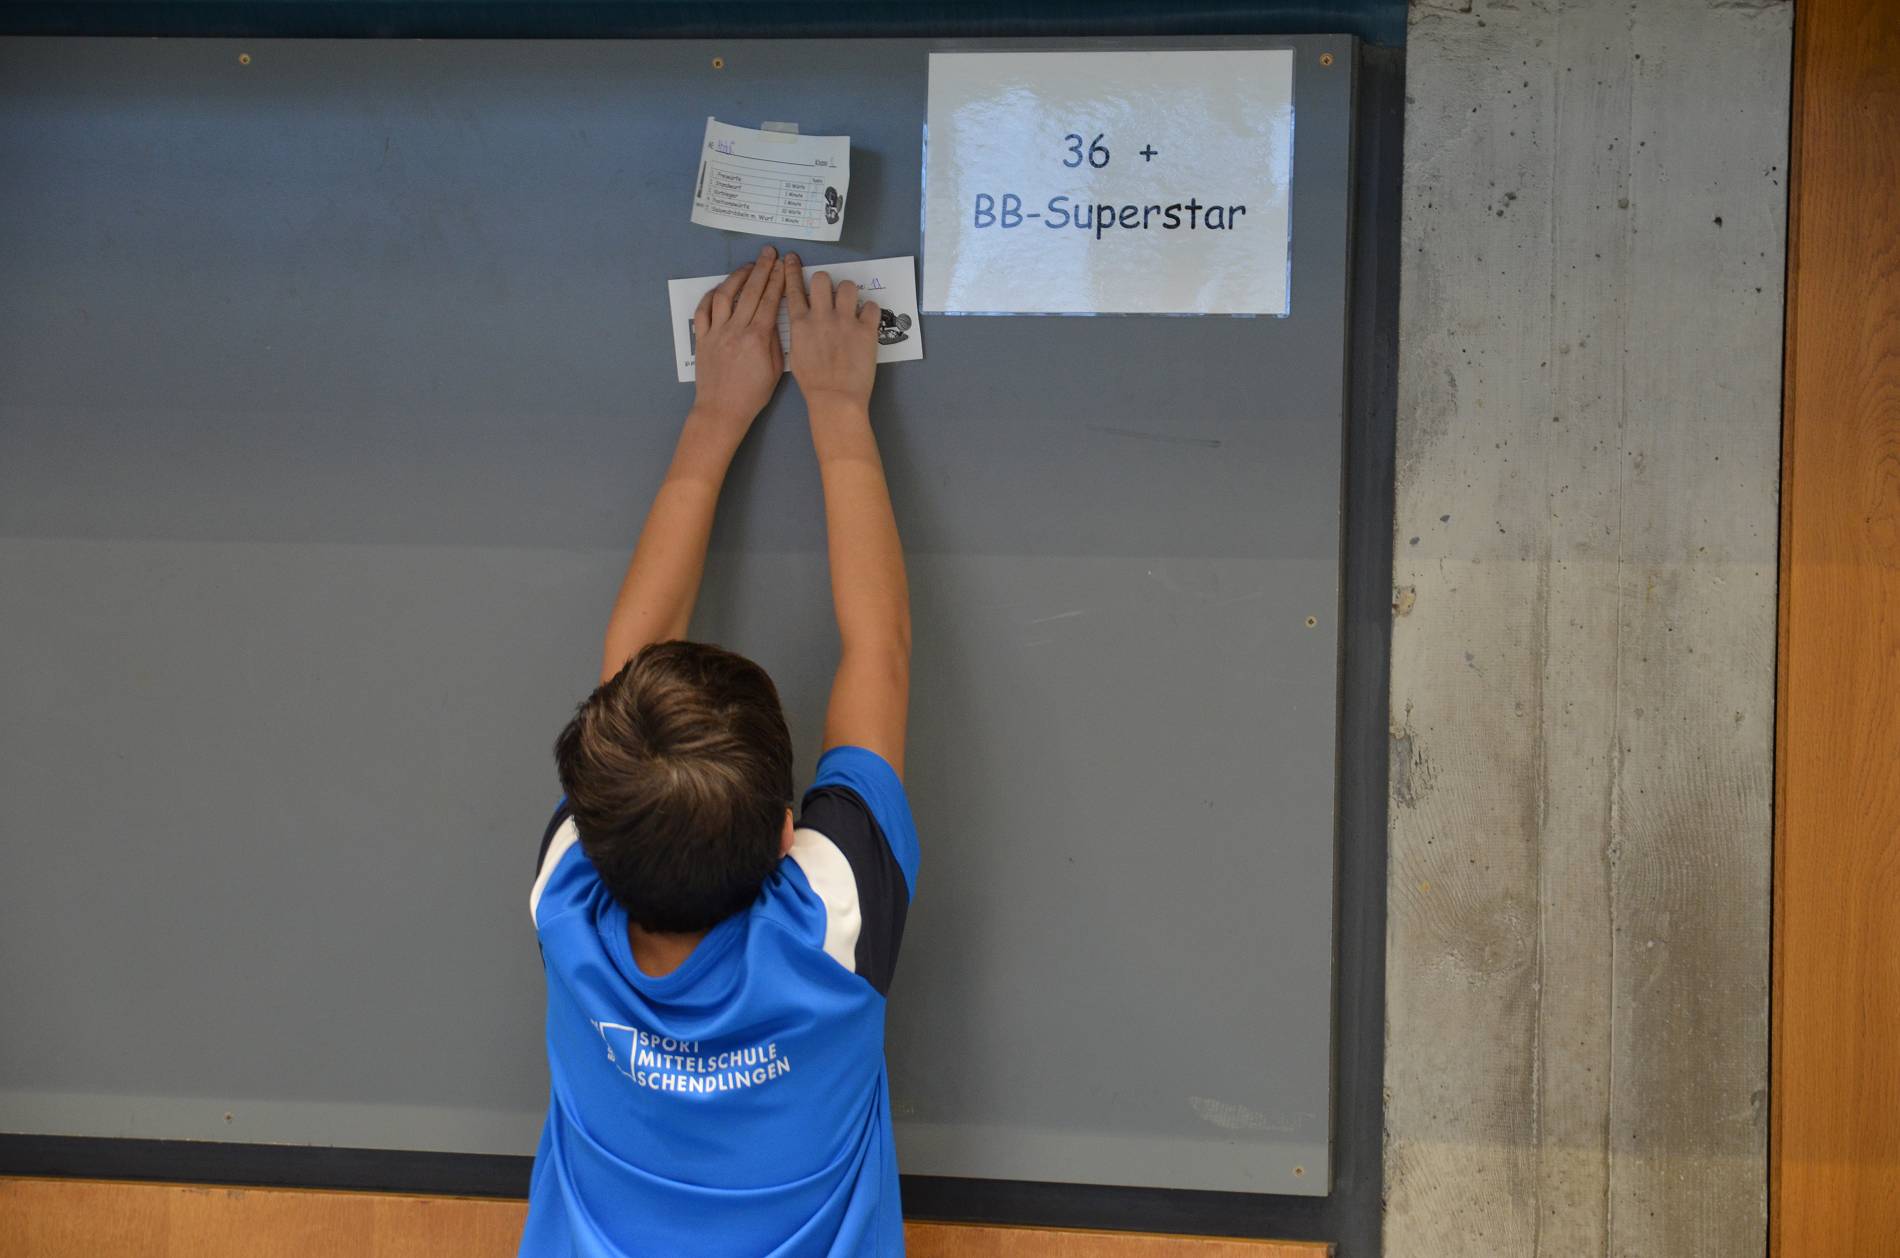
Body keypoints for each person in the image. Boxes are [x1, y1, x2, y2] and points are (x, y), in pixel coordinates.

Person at [520, 244, 917, 1256]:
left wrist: (715, 413)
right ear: (788, 833)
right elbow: (879, 650)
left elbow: (633, 673)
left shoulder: (572, 906)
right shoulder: (823, 929)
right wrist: (840, 408)